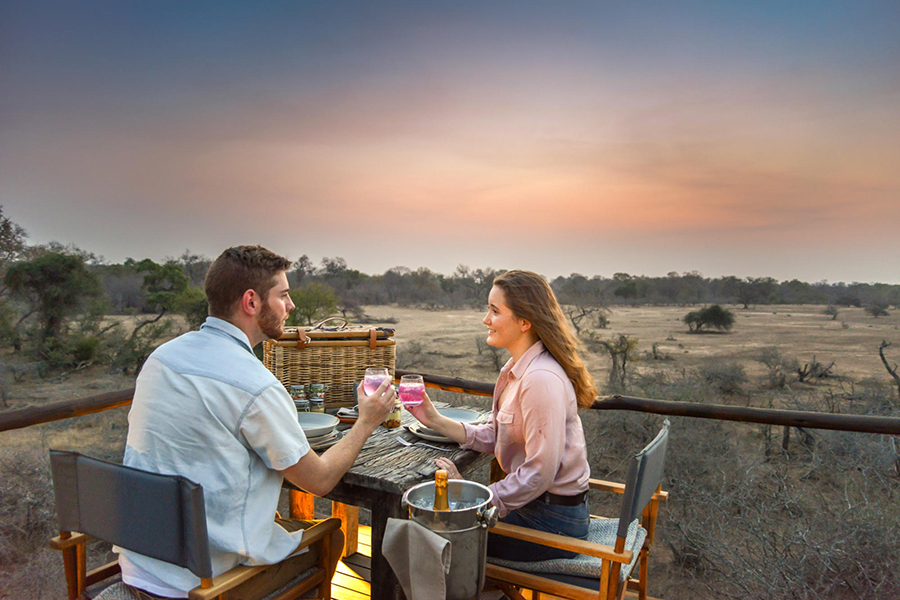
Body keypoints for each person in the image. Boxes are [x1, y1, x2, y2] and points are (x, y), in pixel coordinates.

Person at [118, 245, 396, 599]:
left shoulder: (162, 358)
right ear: (251, 302)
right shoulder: (254, 384)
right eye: (283, 295)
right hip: (201, 583)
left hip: (142, 561)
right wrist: (366, 422)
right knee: (331, 536)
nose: (291, 306)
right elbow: (321, 481)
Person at [407, 269, 595, 561]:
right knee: (429, 524)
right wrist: (433, 419)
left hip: (551, 523)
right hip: (535, 509)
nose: (486, 319)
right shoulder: (515, 370)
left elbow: (539, 473)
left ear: (525, 321)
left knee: (428, 534)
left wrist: (473, 496)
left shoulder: (540, 379)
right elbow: (498, 433)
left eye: (495, 311)